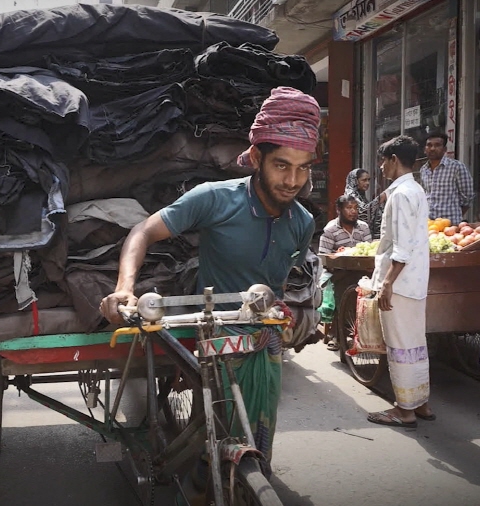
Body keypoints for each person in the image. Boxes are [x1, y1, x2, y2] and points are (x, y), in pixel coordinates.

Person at [100, 86, 318, 464]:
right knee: (214, 435)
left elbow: (279, 283)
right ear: (256, 157)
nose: (292, 180)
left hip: (264, 336)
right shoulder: (215, 198)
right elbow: (143, 231)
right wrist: (124, 289)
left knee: (259, 434)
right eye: (282, 165)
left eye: (303, 168)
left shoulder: (303, 222)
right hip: (213, 328)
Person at [366, 135, 436, 428]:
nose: (381, 167)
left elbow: (402, 246)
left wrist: (387, 283)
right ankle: (420, 403)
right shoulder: (415, 189)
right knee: (415, 343)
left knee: (400, 346)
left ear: (394, 160)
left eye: (383, 161)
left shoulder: (401, 194)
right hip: (413, 282)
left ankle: (404, 411)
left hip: (401, 284)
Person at [317, 194, 373, 351]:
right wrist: (339, 257)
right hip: (338, 273)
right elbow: (324, 257)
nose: (353, 211)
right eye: (349, 208)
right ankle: (337, 335)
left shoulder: (363, 227)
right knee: (343, 288)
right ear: (339, 210)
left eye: (355, 208)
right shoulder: (330, 229)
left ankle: (362, 334)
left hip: (362, 271)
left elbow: (369, 251)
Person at [420, 131, 474, 225]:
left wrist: (456, 215)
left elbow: (468, 197)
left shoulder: (456, 167)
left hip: (451, 225)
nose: (432, 148)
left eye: (437, 145)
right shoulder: (423, 170)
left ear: (444, 149)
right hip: (430, 225)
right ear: (425, 149)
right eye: (429, 145)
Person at [345, 168, 383, 239]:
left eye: (368, 180)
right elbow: (363, 211)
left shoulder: (361, 197)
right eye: (364, 180)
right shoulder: (350, 196)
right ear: (355, 181)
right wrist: (380, 199)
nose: (367, 183)